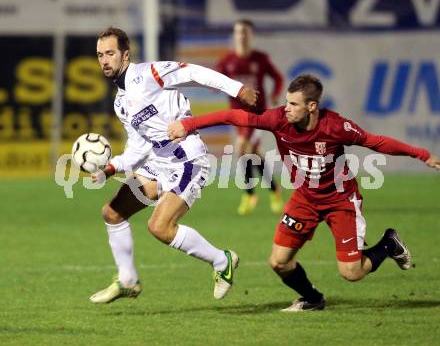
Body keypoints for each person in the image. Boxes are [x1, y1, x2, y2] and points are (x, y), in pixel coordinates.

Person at [168, 74, 440, 312]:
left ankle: (388, 244)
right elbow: (233, 116)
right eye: (287, 102)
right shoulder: (278, 120)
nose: (286, 109)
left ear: (312, 106)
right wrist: (190, 125)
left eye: (294, 104)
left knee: (352, 272)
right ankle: (312, 299)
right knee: (279, 262)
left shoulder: (336, 127)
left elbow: (376, 142)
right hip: (304, 199)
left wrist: (422, 154)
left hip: (340, 201)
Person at [89, 27, 257, 304]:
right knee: (112, 213)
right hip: (159, 162)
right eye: (99, 55)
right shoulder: (121, 102)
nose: (104, 60)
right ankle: (128, 280)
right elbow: (138, 148)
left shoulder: (150, 73)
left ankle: (221, 260)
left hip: (188, 160)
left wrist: (236, 89)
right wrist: (109, 169)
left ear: (126, 55)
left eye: (110, 53)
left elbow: (192, 72)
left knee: (160, 227)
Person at [216, 19, 284, 215]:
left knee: (241, 148)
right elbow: (215, 80)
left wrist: (275, 94)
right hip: (238, 116)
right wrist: (213, 86)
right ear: (234, 35)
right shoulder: (227, 61)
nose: (242, 36)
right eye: (239, 32)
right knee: (252, 154)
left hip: (257, 115)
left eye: (245, 32)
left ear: (251, 35)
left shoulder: (260, 59)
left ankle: (249, 194)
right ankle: (274, 189)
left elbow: (278, 78)